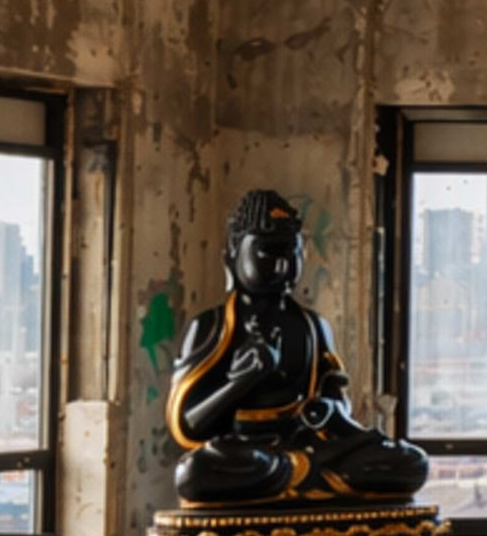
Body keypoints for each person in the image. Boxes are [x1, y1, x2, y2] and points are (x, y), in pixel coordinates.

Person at [169, 188, 432, 506]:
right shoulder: (211, 326)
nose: (283, 266)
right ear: (234, 253)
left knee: (411, 462)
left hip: (310, 447)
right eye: (268, 253)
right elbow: (188, 426)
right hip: (246, 452)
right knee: (195, 472)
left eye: (292, 253)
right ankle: (305, 477)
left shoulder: (313, 326)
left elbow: (336, 406)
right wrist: (241, 382)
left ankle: (297, 475)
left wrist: (332, 412)